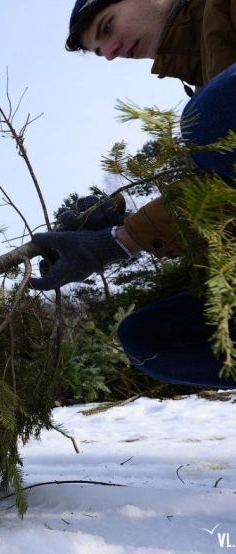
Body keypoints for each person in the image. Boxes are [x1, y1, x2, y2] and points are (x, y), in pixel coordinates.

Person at [30, 0, 236, 388]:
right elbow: (223, 196)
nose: (109, 54)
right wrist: (119, 234)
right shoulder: (202, 73)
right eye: (99, 51)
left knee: (209, 119)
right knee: (149, 338)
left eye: (106, 29)